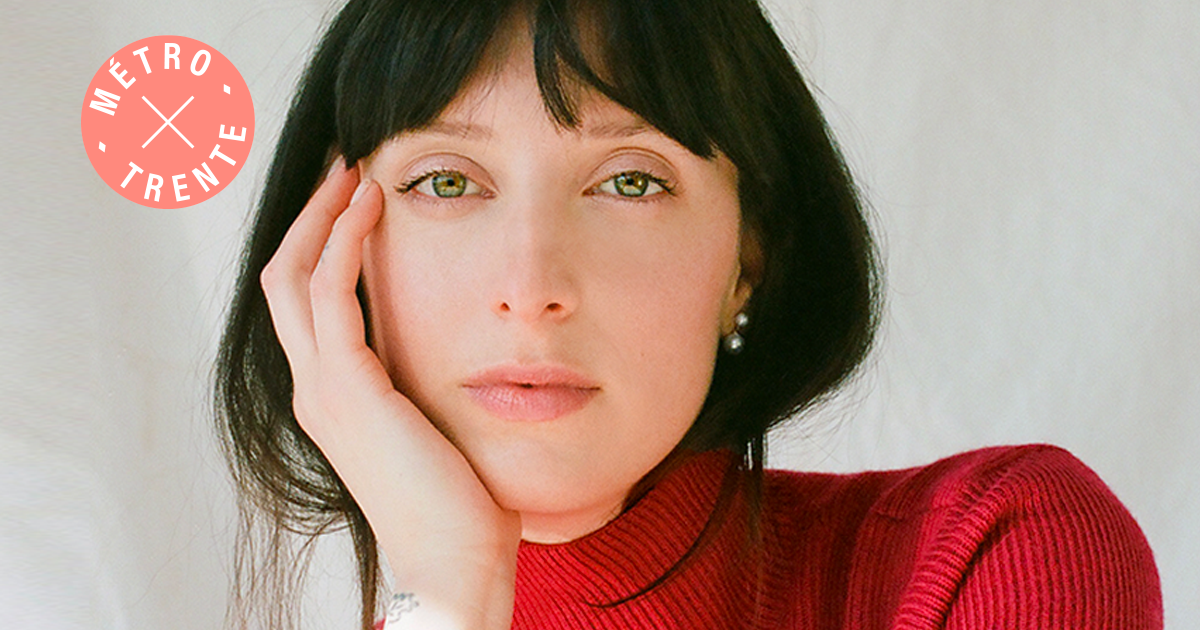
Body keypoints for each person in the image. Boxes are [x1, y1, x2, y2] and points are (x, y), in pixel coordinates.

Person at [213, 0, 1163, 628]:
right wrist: (449, 591)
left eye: (630, 181)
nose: (532, 285)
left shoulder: (993, 552)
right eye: (447, 181)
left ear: (748, 263)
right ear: (332, 258)